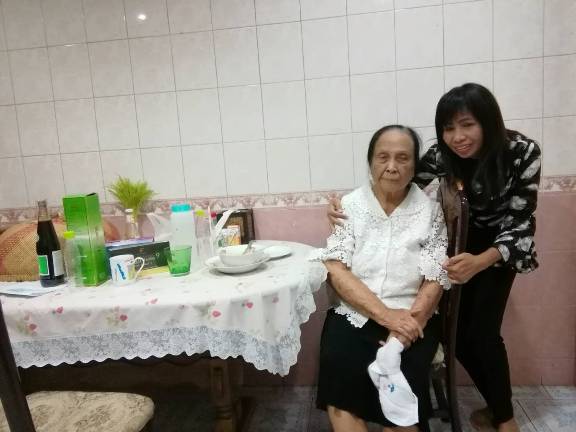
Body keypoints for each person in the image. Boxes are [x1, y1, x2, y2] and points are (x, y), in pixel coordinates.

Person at [328, 83, 541, 432]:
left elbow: (521, 221)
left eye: (467, 125)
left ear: (488, 121)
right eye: (448, 127)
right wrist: (347, 207)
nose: (458, 137)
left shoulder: (522, 152)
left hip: (501, 246)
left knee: (482, 334)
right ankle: (489, 406)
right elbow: (398, 182)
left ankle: (504, 417)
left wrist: (481, 259)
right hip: (457, 244)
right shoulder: (442, 155)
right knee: (457, 335)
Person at [310, 124, 450, 431]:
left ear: (415, 165)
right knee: (341, 385)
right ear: (371, 162)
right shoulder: (349, 206)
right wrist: (387, 316)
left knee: (402, 401)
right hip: (353, 313)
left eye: (403, 158)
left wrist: (404, 327)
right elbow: (335, 269)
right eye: (383, 157)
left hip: (414, 318)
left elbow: (435, 277)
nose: (392, 166)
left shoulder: (431, 212)